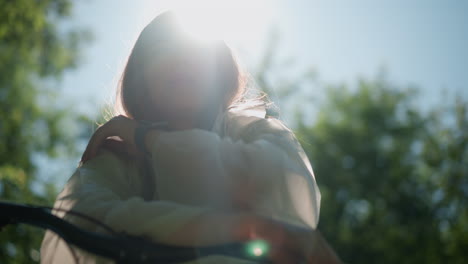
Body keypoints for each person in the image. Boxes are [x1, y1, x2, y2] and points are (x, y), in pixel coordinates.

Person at [40, 11, 342, 264]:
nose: (179, 60)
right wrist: (240, 227)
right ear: (140, 79)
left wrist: (150, 140)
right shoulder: (117, 156)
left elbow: (285, 190)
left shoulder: (257, 131)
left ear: (220, 69)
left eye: (194, 50)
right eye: (161, 50)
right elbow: (80, 222)